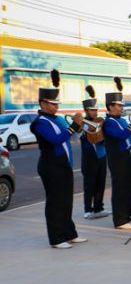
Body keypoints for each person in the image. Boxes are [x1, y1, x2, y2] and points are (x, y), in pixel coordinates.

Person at [31, 70, 87, 249]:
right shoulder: (40, 122)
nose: (56, 106)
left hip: (64, 165)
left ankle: (69, 234)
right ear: (43, 103)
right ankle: (56, 238)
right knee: (55, 202)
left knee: (66, 201)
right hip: (50, 166)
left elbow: (73, 135)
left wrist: (79, 126)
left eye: (57, 103)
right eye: (52, 104)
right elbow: (56, 139)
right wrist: (73, 126)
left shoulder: (58, 119)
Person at [102, 77, 131, 230]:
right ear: (110, 106)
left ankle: (127, 217)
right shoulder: (108, 123)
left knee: (127, 188)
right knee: (119, 188)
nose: (121, 108)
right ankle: (119, 220)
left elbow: (130, 133)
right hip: (117, 159)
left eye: (121, 105)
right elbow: (122, 136)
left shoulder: (122, 120)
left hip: (127, 157)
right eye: (118, 105)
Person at [79, 85, 108, 219]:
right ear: (86, 110)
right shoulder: (82, 124)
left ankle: (98, 207)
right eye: (92, 110)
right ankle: (88, 209)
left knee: (101, 183)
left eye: (96, 109)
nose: (95, 112)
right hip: (89, 158)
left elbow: (102, 138)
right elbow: (87, 136)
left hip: (101, 156)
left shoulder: (100, 121)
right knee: (89, 184)